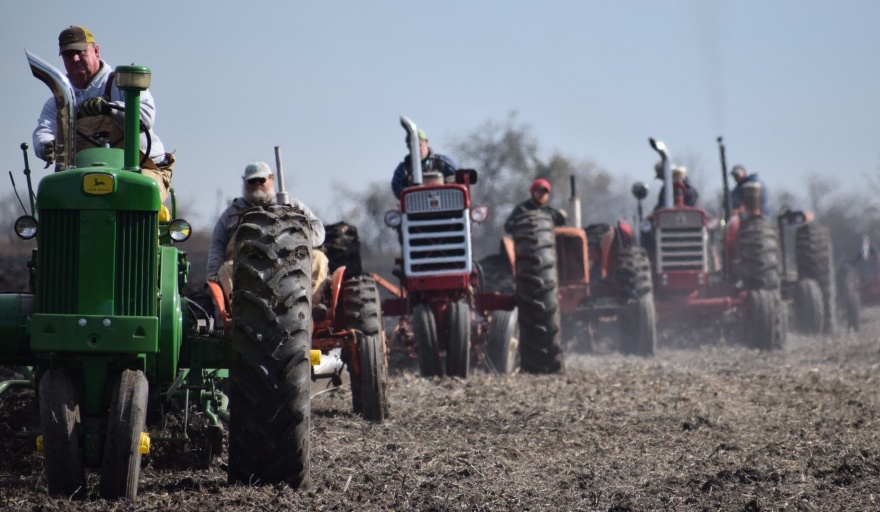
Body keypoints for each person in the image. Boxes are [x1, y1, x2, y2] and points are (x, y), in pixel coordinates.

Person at [32, 26, 174, 201]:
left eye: (80, 52)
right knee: (55, 198)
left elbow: (144, 119)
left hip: (143, 168)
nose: (75, 58)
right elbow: (44, 130)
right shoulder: (59, 101)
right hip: (84, 173)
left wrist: (109, 108)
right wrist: (46, 145)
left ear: (96, 51)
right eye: (68, 54)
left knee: (141, 195)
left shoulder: (123, 83)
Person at [207, 161, 328, 306]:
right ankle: (237, 309)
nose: (257, 184)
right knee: (225, 269)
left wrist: (298, 236)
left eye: (261, 179)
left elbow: (318, 229)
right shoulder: (231, 214)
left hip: (290, 261)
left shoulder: (292, 205)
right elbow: (217, 246)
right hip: (245, 264)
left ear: (271, 179)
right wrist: (213, 275)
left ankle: (310, 305)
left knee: (318, 258)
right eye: (252, 181)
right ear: (244, 182)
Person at [391, 128, 457, 199]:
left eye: (419, 144)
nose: (416, 149)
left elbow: (458, 179)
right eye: (411, 145)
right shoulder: (403, 169)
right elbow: (397, 187)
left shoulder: (444, 162)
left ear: (426, 142)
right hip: (416, 204)